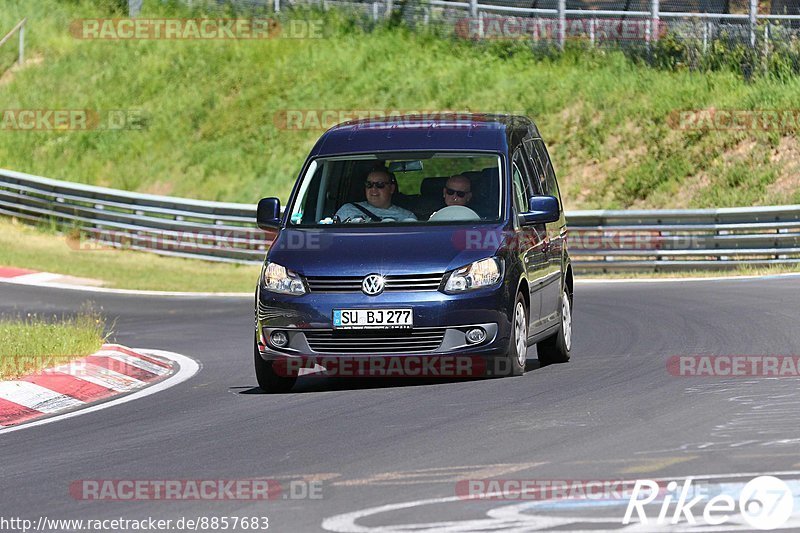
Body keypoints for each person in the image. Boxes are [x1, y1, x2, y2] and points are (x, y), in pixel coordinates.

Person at [335, 170, 417, 222]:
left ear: (391, 189)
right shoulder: (347, 210)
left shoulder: (407, 217)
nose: (373, 189)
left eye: (380, 184)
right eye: (369, 184)